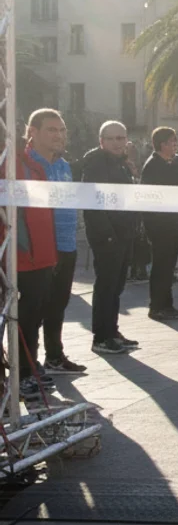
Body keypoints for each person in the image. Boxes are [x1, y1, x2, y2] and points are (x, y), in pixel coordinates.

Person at [1, 115, 59, 396]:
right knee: (20, 319)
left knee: (32, 317)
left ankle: (29, 368)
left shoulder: (35, 166)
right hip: (18, 258)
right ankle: (22, 374)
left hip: (42, 256)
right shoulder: (9, 164)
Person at [27, 110, 86, 374]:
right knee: (33, 308)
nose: (59, 135)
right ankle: (29, 365)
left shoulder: (64, 165)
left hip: (66, 244)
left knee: (58, 304)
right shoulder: (25, 163)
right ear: (33, 132)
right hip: (38, 248)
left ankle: (54, 356)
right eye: (52, 130)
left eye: (62, 130)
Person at [80, 121, 141, 354]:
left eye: (121, 138)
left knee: (116, 285)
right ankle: (101, 337)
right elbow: (93, 202)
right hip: (106, 234)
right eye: (112, 138)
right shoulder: (96, 161)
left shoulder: (122, 163)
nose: (118, 142)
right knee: (106, 285)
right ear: (101, 141)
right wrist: (106, 235)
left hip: (124, 232)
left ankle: (112, 330)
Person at [141, 126, 178, 321]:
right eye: (172, 142)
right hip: (161, 225)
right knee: (161, 266)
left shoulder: (168, 163)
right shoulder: (153, 165)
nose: (175, 145)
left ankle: (166, 304)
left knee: (168, 266)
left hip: (172, 223)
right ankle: (157, 306)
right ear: (162, 144)